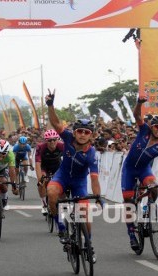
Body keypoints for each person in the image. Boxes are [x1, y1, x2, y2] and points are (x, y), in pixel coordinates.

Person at [45, 89, 102, 263]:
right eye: (80, 131)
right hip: (62, 176)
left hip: (79, 183)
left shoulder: (91, 154)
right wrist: (51, 105)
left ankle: (89, 245)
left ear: (91, 135)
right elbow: (55, 123)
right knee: (52, 193)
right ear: (75, 132)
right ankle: (60, 224)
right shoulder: (68, 137)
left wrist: (98, 196)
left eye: (87, 132)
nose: (83, 134)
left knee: (84, 213)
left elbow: (94, 178)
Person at [121, 95, 158, 252]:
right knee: (129, 201)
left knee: (154, 187)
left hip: (144, 170)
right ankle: (132, 234)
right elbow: (137, 115)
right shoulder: (144, 129)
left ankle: (147, 210)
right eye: (157, 126)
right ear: (152, 127)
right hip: (129, 170)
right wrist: (139, 103)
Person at [35, 129, 64, 215]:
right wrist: (39, 179)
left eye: (54, 139)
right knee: (42, 181)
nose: (52, 142)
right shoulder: (40, 147)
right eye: (49, 140)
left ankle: (62, 203)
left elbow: (68, 160)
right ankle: (44, 204)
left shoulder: (62, 146)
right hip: (44, 167)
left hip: (57, 166)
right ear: (46, 141)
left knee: (63, 184)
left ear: (57, 139)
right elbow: (37, 164)